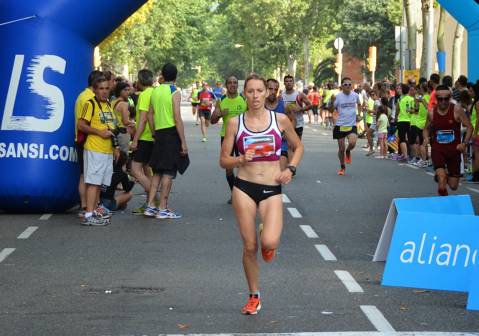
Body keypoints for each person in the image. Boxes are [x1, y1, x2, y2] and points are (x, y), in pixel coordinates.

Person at [219, 74, 304, 315]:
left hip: (271, 187)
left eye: (259, 91)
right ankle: (254, 295)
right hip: (244, 186)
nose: (255, 96)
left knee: (269, 243)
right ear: (244, 94)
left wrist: (291, 168)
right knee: (249, 247)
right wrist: (238, 158)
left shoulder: (280, 120)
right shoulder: (236, 123)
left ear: (267, 93)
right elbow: (223, 161)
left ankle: (265, 233)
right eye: (250, 91)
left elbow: (298, 147)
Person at [144, 63, 188, 219]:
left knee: (157, 172)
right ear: (175, 77)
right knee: (168, 172)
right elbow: (177, 117)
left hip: (159, 134)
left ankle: (150, 206)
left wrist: (155, 132)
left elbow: (149, 114)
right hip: (171, 135)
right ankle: (162, 208)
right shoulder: (174, 91)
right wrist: (183, 141)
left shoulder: (155, 91)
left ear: (162, 75)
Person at [77, 76, 120, 226]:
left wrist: (116, 147)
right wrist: (98, 132)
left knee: (100, 184)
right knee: (93, 183)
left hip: (107, 151)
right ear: (94, 90)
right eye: (101, 89)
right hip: (94, 149)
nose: (104, 92)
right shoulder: (90, 104)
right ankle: (88, 214)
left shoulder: (108, 105)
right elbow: (81, 125)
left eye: (107, 88)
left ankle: (94, 211)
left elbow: (111, 129)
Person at [423, 85, 473, 196]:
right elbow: (425, 129)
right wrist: (426, 138)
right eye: (440, 99)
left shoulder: (457, 110)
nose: (443, 101)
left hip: (454, 150)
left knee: (453, 186)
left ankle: (444, 175)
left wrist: (464, 144)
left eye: (446, 98)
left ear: (450, 97)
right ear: (436, 99)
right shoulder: (431, 113)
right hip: (438, 149)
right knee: (442, 179)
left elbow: (470, 127)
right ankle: (443, 206)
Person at [211, 76, 247, 204]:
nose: (233, 85)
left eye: (235, 83)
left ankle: (243, 194)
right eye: (230, 83)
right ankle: (234, 194)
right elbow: (212, 120)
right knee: (228, 167)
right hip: (226, 137)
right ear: (226, 85)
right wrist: (219, 114)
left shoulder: (244, 99)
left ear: (238, 85)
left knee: (244, 166)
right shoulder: (221, 100)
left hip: (243, 137)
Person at [74, 70, 104, 218]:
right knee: (88, 177)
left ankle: (89, 206)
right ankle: (87, 207)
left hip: (86, 139)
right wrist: (100, 132)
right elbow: (83, 124)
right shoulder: (89, 99)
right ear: (96, 84)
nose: (105, 89)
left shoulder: (83, 95)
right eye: (102, 86)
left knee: (87, 175)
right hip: (87, 140)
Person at [130, 69, 155, 215]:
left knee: (134, 169)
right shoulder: (154, 92)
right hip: (152, 137)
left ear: (139, 81)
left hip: (145, 138)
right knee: (147, 170)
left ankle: (155, 200)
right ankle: (149, 204)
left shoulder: (145, 95)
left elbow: (144, 119)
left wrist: (135, 139)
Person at [329, 77, 362, 175]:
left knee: (352, 143)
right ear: (342, 86)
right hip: (340, 125)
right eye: (345, 84)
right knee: (341, 149)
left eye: (349, 84)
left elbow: (359, 104)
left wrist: (359, 114)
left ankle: (348, 151)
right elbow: (331, 109)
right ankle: (342, 166)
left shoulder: (355, 95)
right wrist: (331, 101)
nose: (348, 86)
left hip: (351, 124)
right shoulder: (338, 97)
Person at [265, 78, 289, 170]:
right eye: (270, 89)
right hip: (264, 145)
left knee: (279, 177)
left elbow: (292, 120)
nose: (273, 92)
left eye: (276, 89)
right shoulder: (259, 105)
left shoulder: (284, 105)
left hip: (281, 145)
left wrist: (287, 134)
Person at [282, 75, 312, 140]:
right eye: (286, 81)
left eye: (290, 81)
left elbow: (310, 105)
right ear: (284, 83)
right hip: (285, 124)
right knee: (286, 146)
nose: (288, 83)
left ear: (293, 83)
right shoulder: (281, 95)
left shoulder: (299, 94)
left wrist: (301, 109)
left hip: (298, 124)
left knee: (296, 145)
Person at [112, 81, 135, 154]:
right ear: (119, 91)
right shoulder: (124, 104)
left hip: (114, 133)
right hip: (123, 133)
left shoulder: (112, 102)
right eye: (125, 90)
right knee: (123, 159)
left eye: (128, 90)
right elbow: (125, 121)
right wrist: (135, 123)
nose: (128, 92)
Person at [395, 84, 415, 162]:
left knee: (402, 139)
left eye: (400, 89)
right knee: (411, 139)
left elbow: (397, 110)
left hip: (401, 121)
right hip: (411, 121)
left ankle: (405, 156)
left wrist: (396, 118)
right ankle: (413, 156)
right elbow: (415, 111)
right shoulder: (412, 99)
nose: (399, 90)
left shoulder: (400, 100)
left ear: (403, 90)